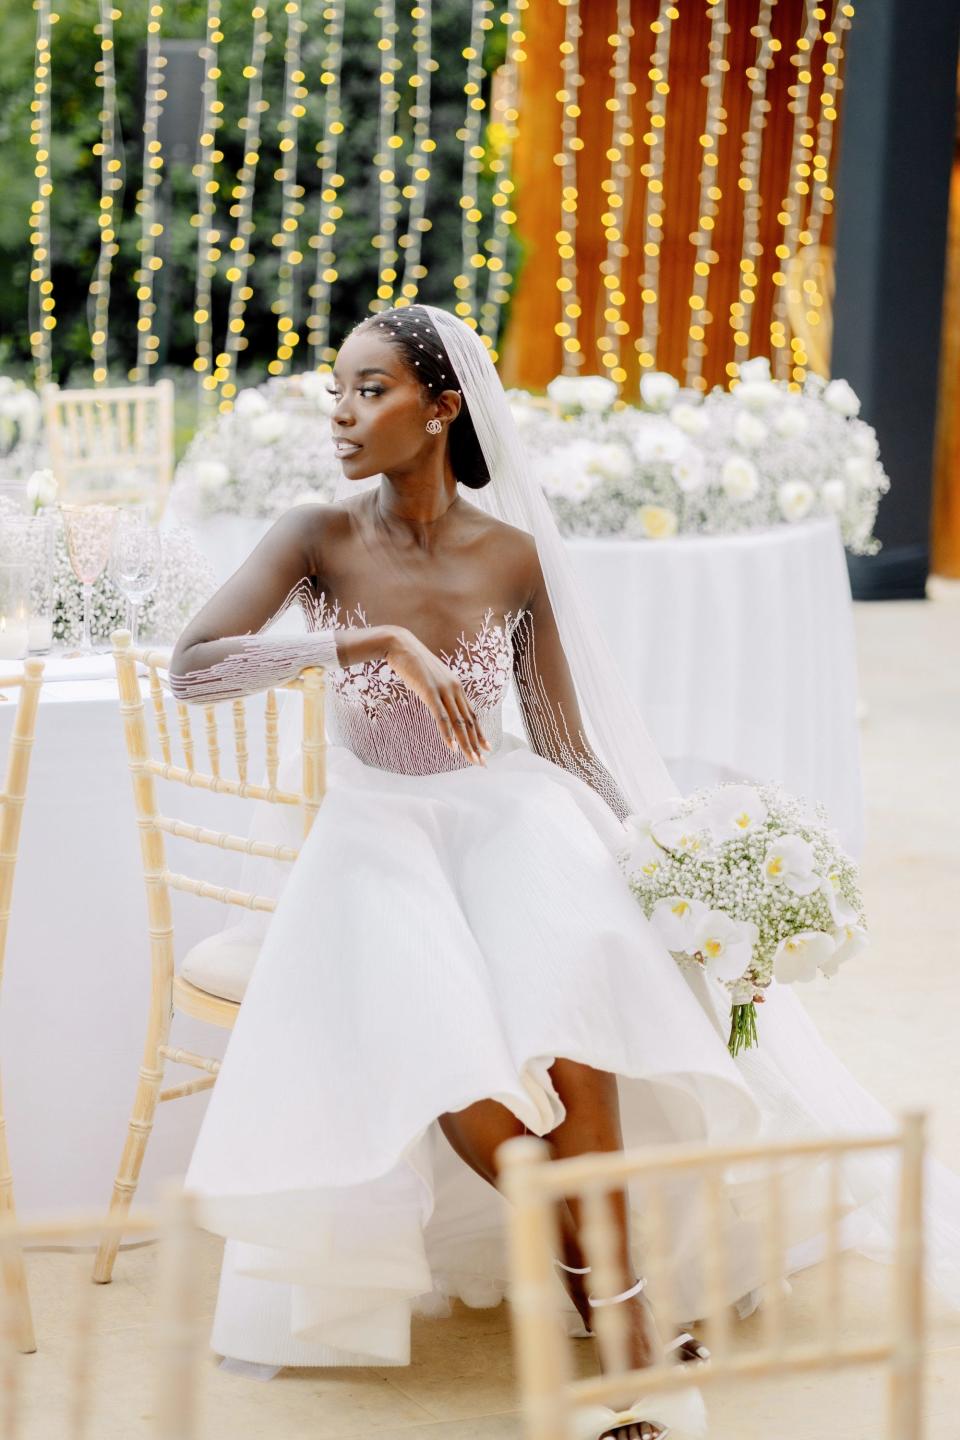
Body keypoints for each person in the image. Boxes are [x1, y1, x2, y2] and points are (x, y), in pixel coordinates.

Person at [171, 306, 959, 1440]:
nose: (342, 416)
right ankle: (611, 1295)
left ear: (442, 408)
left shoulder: (514, 555)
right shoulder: (316, 536)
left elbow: (564, 741)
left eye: (370, 390)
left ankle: (617, 1315)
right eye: (335, 393)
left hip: (506, 811)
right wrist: (367, 642)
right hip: (378, 833)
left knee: (583, 982)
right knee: (451, 1043)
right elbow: (193, 669)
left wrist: (679, 863)